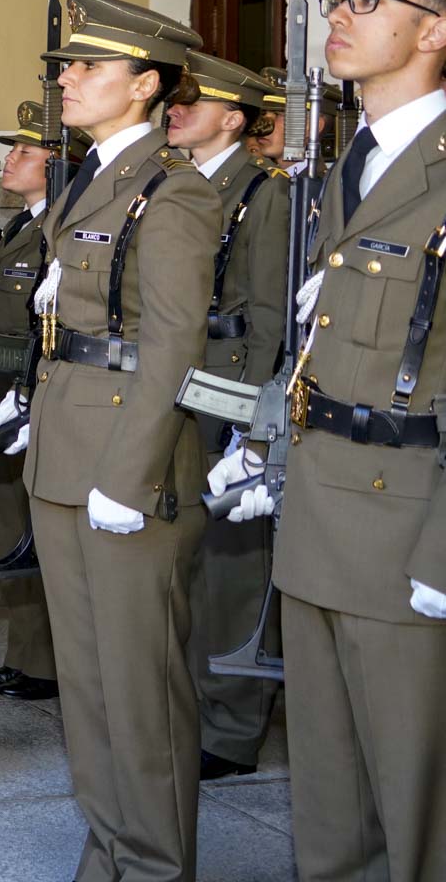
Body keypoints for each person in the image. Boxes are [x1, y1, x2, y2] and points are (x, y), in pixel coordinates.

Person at [13, 0, 220, 880]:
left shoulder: (171, 192)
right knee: (89, 683)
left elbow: (171, 342)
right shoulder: (94, 177)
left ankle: (153, 863)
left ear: (144, 86)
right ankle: (111, 851)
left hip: (120, 462)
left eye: (88, 67)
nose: (66, 78)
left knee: (137, 686)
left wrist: (127, 476)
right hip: (66, 451)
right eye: (66, 64)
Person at [264, 0, 446, 882]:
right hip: (323, 511)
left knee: (415, 802)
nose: (338, 14)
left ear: (433, 29)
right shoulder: (356, 162)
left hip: (406, 526)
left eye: (368, 0)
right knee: (325, 795)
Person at [164, 51, 289, 783]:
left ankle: (232, 729)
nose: (174, 111)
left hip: (231, 391)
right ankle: (191, 705)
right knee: (185, 559)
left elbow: (270, 317)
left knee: (231, 569)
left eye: (192, 102)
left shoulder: (261, 195)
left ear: (233, 119)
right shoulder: (181, 187)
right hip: (184, 387)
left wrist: (256, 426)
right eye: (172, 101)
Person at [0, 102, 89, 703]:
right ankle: (28, 654)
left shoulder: (58, 230)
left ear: (60, 163)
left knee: (35, 523)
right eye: (11, 148)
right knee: (11, 521)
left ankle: (46, 661)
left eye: (24, 151)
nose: (9, 159)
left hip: (30, 389)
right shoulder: (22, 225)